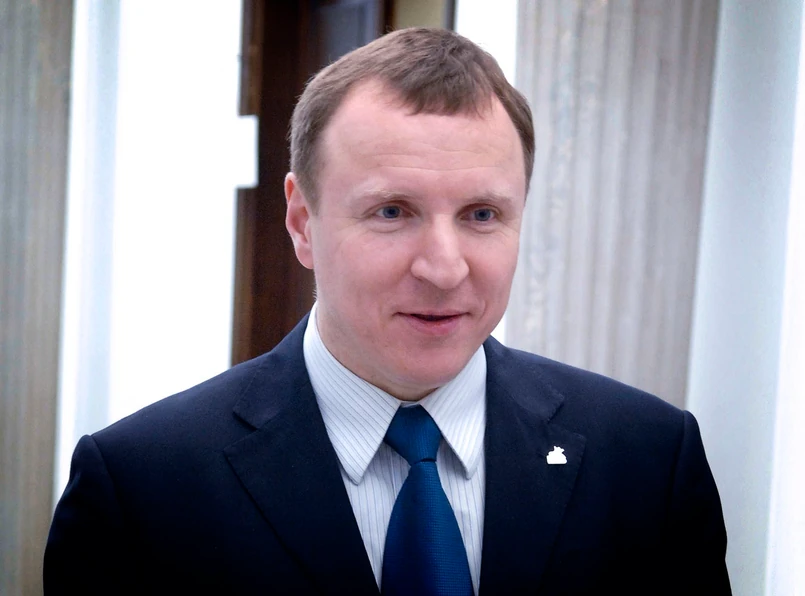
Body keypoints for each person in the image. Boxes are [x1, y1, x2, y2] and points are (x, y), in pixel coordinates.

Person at [45, 28, 730, 595]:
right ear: (301, 221)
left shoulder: (645, 461)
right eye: (392, 212)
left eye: (482, 214)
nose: (444, 268)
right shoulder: (143, 486)